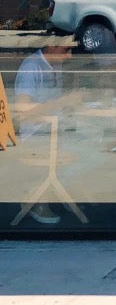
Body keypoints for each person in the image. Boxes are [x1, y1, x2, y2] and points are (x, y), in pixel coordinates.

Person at [13, 42, 74, 225]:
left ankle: (56, 192)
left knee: (97, 143)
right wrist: (64, 102)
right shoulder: (32, 66)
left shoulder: (56, 64)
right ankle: (37, 197)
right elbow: (23, 110)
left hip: (56, 130)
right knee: (91, 152)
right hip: (37, 135)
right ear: (52, 45)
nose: (70, 56)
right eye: (66, 50)